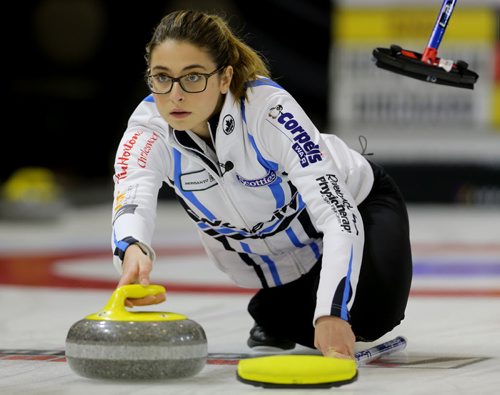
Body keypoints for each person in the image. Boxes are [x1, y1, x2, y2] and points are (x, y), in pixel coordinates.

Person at [111, 9, 413, 359]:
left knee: (371, 318)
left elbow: (338, 214)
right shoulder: (147, 130)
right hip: (275, 250)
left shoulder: (269, 112)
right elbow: (132, 196)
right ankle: (274, 311)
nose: (175, 95)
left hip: (360, 202)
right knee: (293, 316)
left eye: (193, 77)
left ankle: (293, 308)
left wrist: (331, 313)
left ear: (224, 78)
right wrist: (132, 250)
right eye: (162, 78)